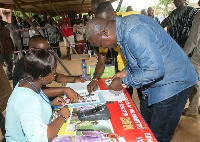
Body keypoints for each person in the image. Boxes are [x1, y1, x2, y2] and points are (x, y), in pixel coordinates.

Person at [85, 15, 198, 141]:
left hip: (174, 84)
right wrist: (126, 71)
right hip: (156, 83)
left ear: (104, 32)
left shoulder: (135, 31)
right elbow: (141, 58)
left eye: (101, 43)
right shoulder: (123, 30)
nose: (104, 47)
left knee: (157, 136)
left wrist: (124, 81)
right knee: (144, 128)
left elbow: (155, 70)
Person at [5, 48, 71, 141]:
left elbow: (32, 109)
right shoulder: (25, 99)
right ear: (41, 77)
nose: (55, 75)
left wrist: (50, 103)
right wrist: (62, 116)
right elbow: (40, 138)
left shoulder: (28, 82)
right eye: (53, 73)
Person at [13, 35, 86, 99]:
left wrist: (74, 79)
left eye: (48, 49)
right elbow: (32, 92)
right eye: (43, 50)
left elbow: (55, 75)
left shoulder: (40, 61)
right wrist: (64, 90)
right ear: (31, 50)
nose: (47, 53)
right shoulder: (23, 66)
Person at [87, 2, 133, 97]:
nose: (104, 25)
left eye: (106, 22)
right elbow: (101, 61)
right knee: (127, 96)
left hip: (143, 70)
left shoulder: (130, 22)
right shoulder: (104, 35)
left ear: (113, 14)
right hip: (125, 69)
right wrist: (95, 79)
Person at [182, 10, 200, 117]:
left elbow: (194, 38)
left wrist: (183, 54)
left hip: (197, 55)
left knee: (194, 82)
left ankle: (192, 109)